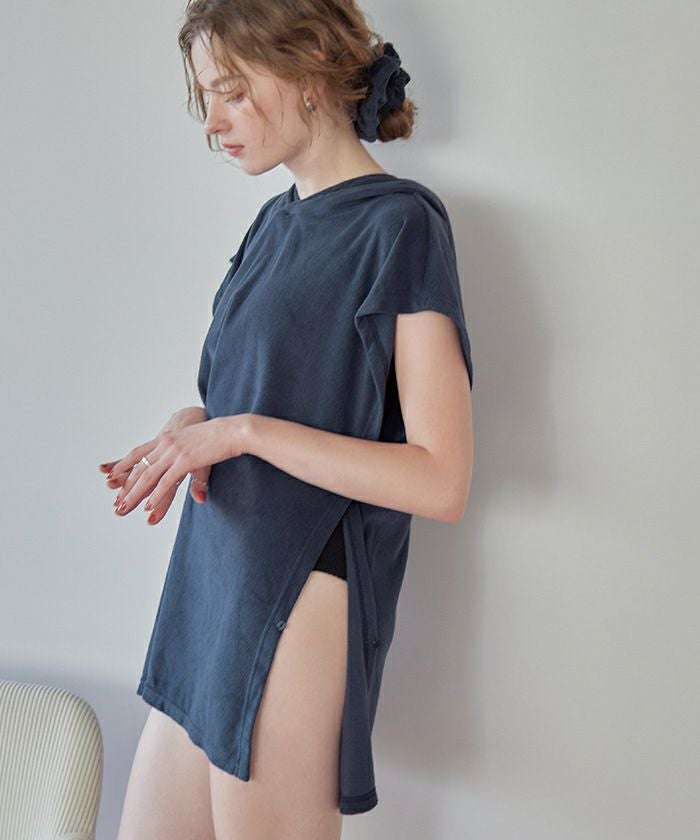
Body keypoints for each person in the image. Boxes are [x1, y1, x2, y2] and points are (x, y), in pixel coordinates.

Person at [100, 1, 474, 838]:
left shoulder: (400, 225)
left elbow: (440, 478)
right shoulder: (273, 223)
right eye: (208, 98)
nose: (214, 123)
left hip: (295, 588)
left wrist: (238, 433)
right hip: (208, 579)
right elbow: (263, 399)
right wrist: (192, 428)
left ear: (308, 71)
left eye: (232, 91)